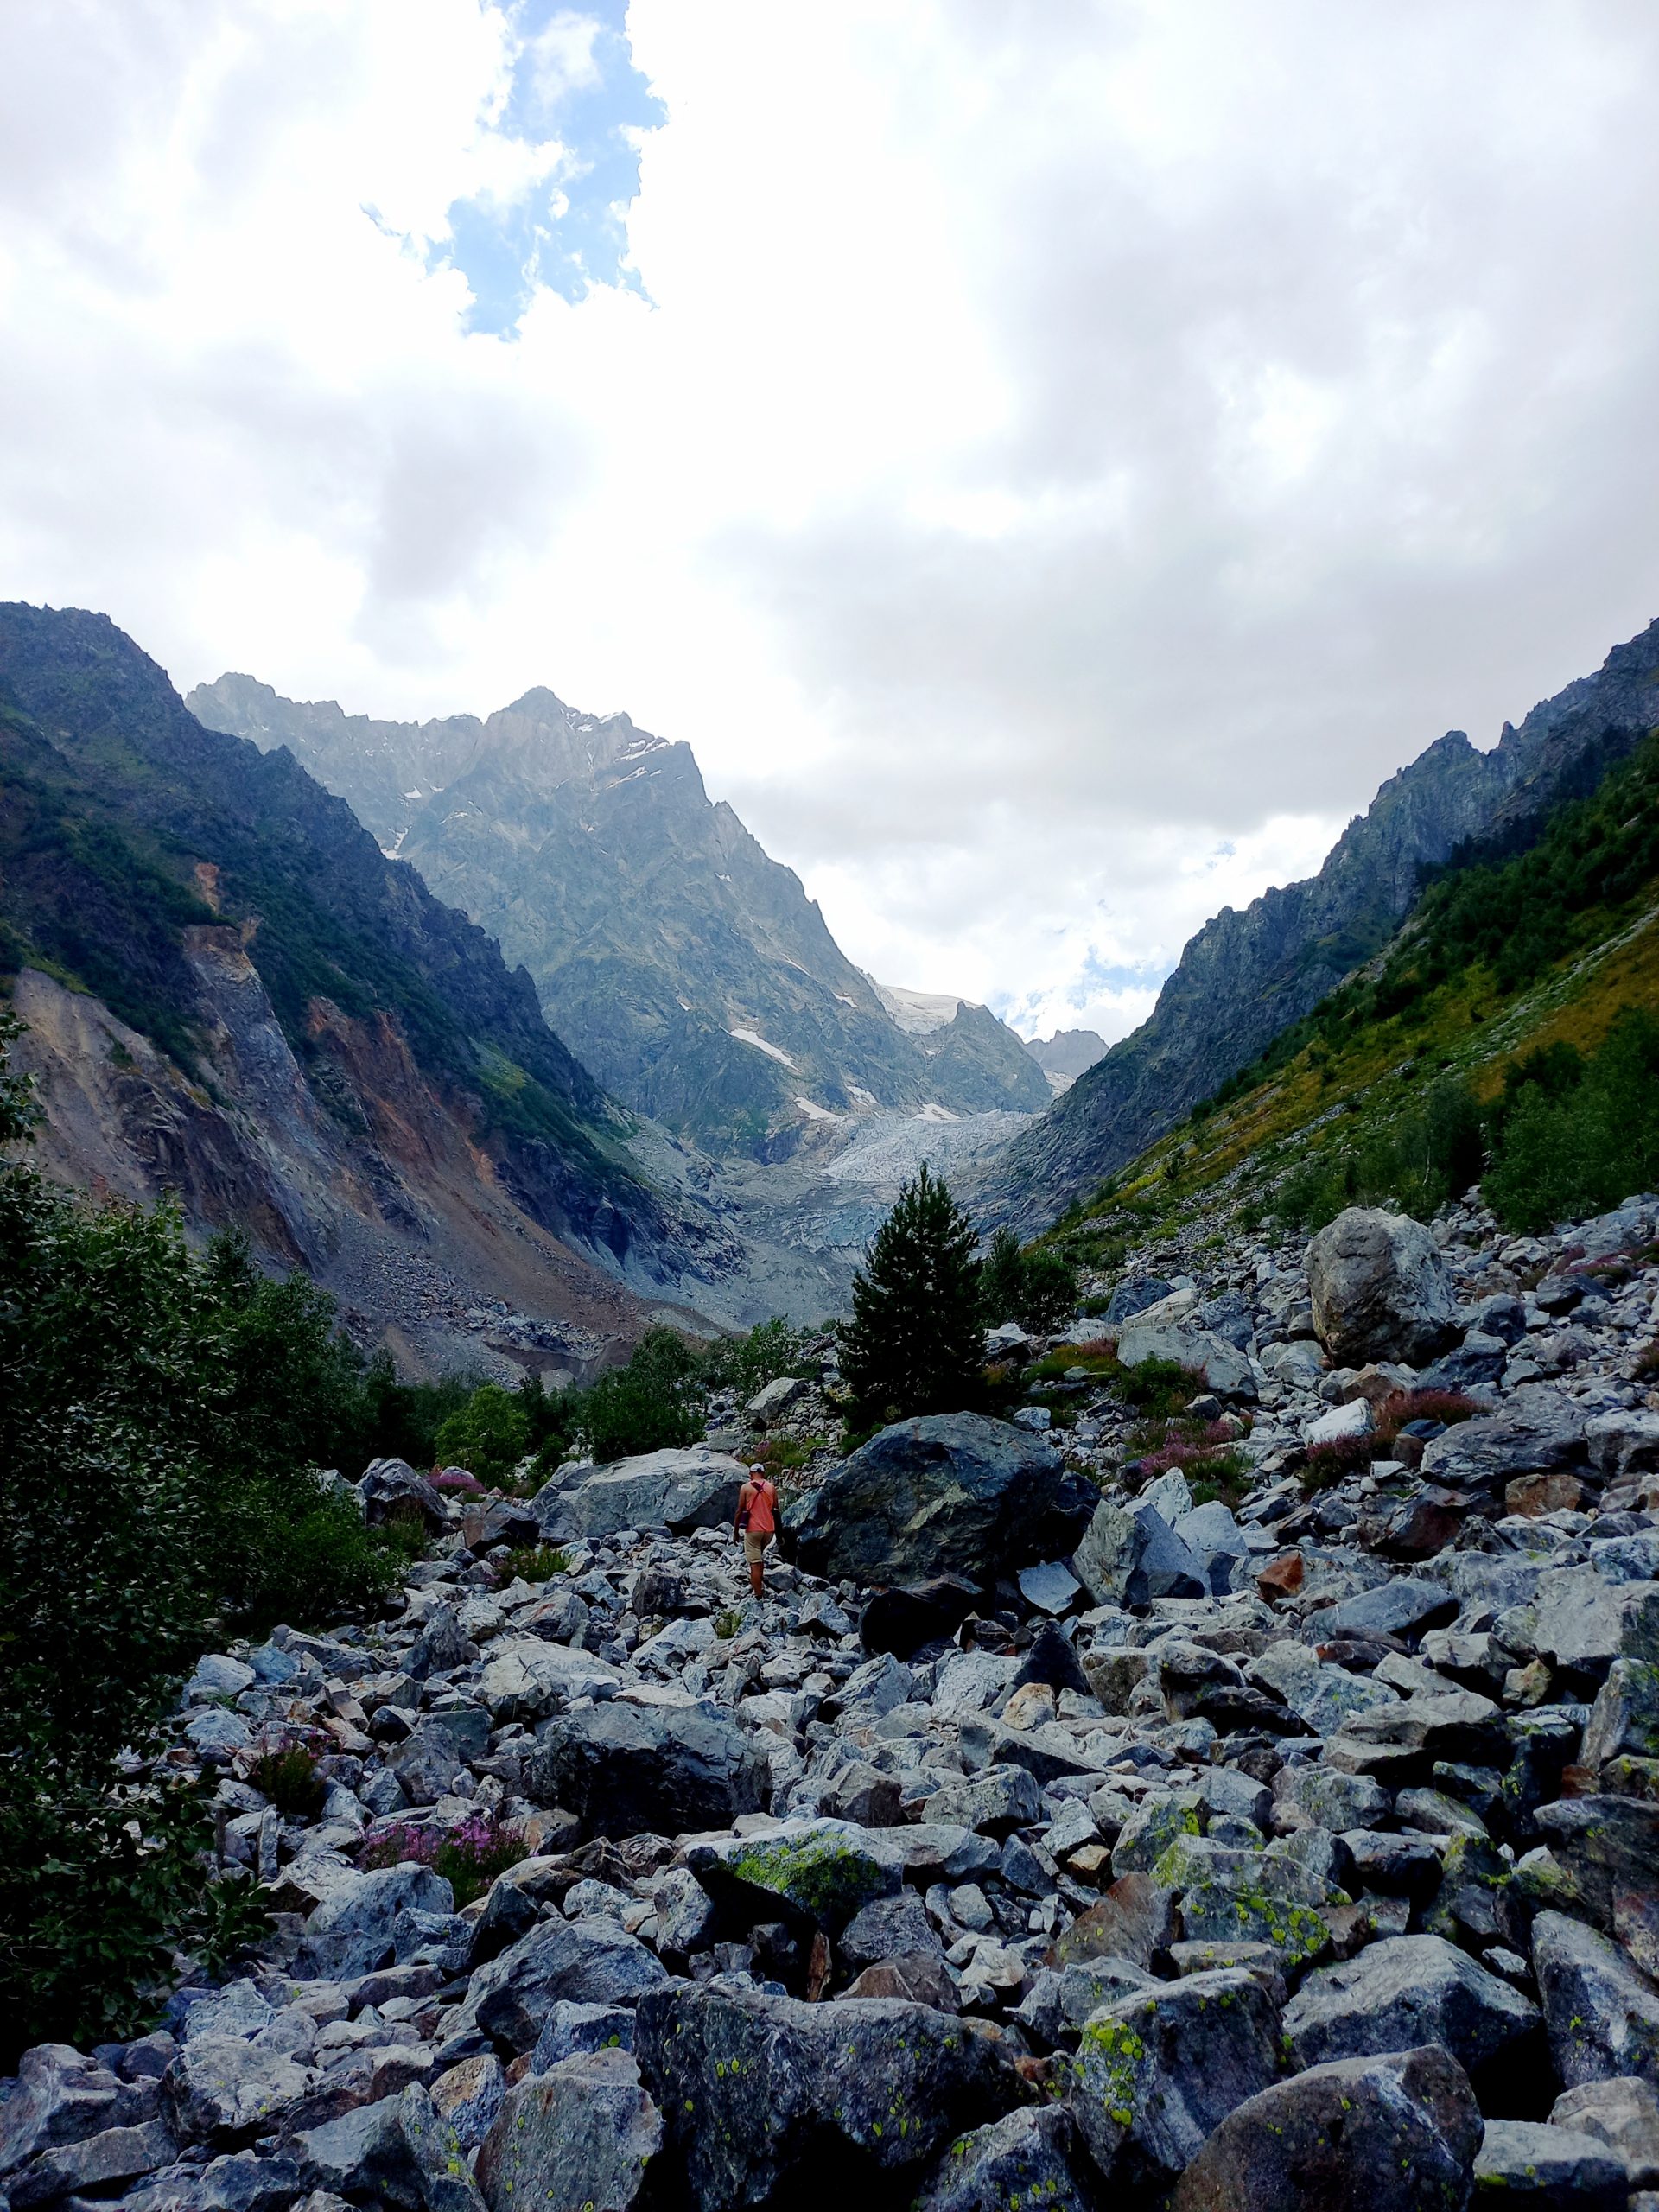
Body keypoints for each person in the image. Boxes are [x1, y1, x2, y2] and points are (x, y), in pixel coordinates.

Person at [734, 1461, 779, 1599]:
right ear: (763, 1473)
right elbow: (776, 1511)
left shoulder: (746, 1488)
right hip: (769, 1531)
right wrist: (780, 1534)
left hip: (753, 1530)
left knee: (754, 1562)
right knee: (759, 1558)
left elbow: (740, 1510)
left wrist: (735, 1531)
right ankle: (758, 1583)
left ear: (751, 1474)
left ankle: (758, 1595)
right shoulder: (771, 1487)